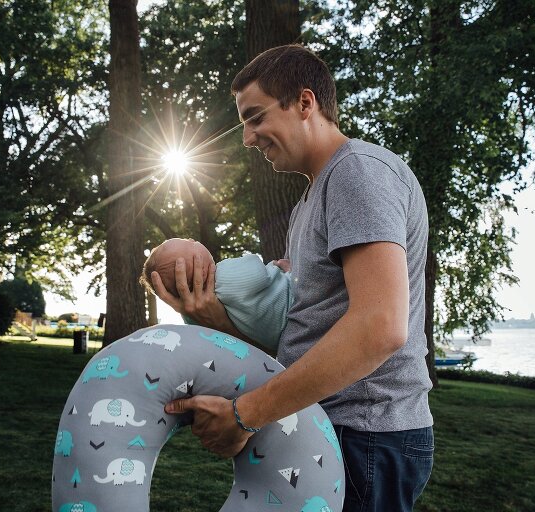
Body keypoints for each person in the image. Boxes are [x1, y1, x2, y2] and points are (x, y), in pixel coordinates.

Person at [151, 44, 433, 511]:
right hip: (328, 425)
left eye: (255, 117)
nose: (247, 137)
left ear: (305, 103)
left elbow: (380, 327)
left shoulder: (357, 172)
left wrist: (246, 414)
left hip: (364, 436)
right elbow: (302, 333)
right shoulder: (313, 198)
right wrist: (214, 316)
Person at [139, 237, 291, 351]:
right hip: (290, 301)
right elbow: (257, 270)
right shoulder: (223, 274)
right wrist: (274, 266)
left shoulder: (191, 315)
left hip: (275, 341)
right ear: (201, 269)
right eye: (189, 243)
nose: (193, 239)